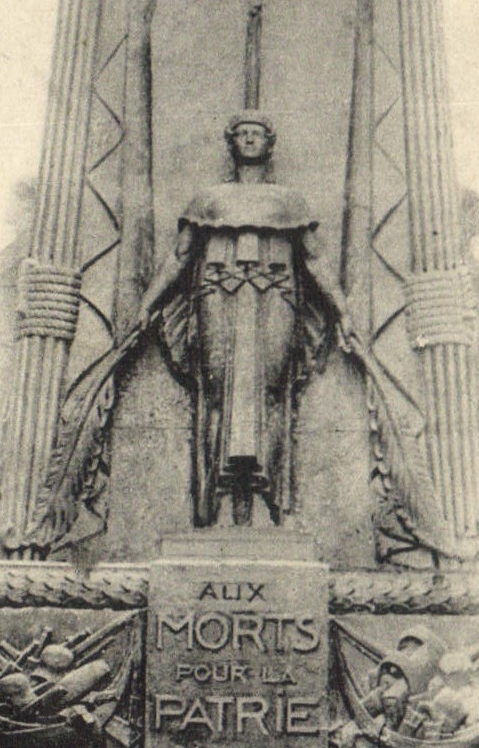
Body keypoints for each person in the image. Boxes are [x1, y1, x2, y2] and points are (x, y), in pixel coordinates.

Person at [138, 113, 350, 526]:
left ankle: (266, 495)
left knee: (271, 392)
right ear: (231, 142)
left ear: (269, 143)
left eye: (257, 134)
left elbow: (315, 259)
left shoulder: (289, 201)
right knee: (217, 392)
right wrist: (147, 303)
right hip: (218, 294)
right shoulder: (208, 199)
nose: (249, 140)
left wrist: (342, 309)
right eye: (242, 134)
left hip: (276, 295)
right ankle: (214, 498)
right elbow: (179, 257)